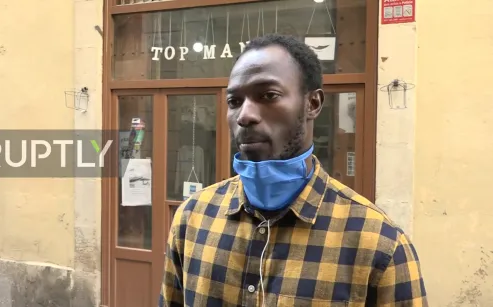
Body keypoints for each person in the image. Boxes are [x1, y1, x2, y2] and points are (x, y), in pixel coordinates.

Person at [159, 34, 427, 306]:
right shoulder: (192, 219)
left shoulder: (379, 244)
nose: (244, 115)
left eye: (268, 95)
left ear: (312, 104)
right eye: (234, 101)